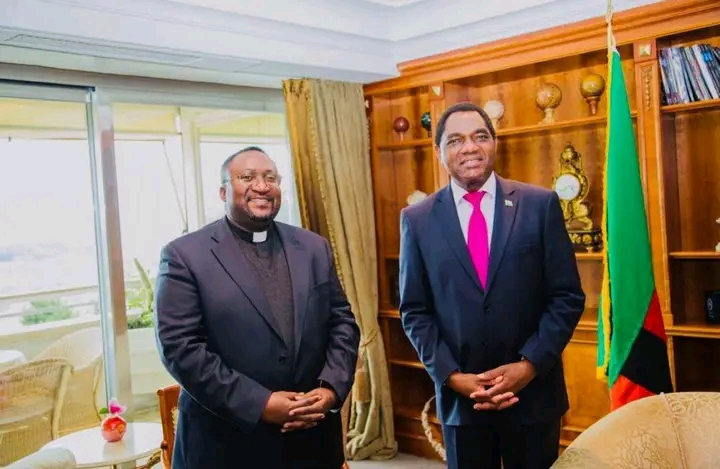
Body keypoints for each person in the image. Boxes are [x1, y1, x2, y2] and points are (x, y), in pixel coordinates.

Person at [398, 102, 585, 469]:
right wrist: (453, 377)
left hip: (534, 397)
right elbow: (415, 310)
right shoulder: (417, 220)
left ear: (494, 143)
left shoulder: (539, 205)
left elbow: (566, 296)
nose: (469, 147)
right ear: (438, 152)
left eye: (480, 136)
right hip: (462, 401)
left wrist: (529, 366)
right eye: (455, 140)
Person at [154, 146, 360, 469]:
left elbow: (342, 322)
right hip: (225, 446)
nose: (262, 186)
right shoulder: (185, 255)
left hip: (311, 440)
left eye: (270, 178)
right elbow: (180, 349)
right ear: (223, 192)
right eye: (247, 177)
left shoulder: (313, 247)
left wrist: (330, 388)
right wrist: (260, 403)